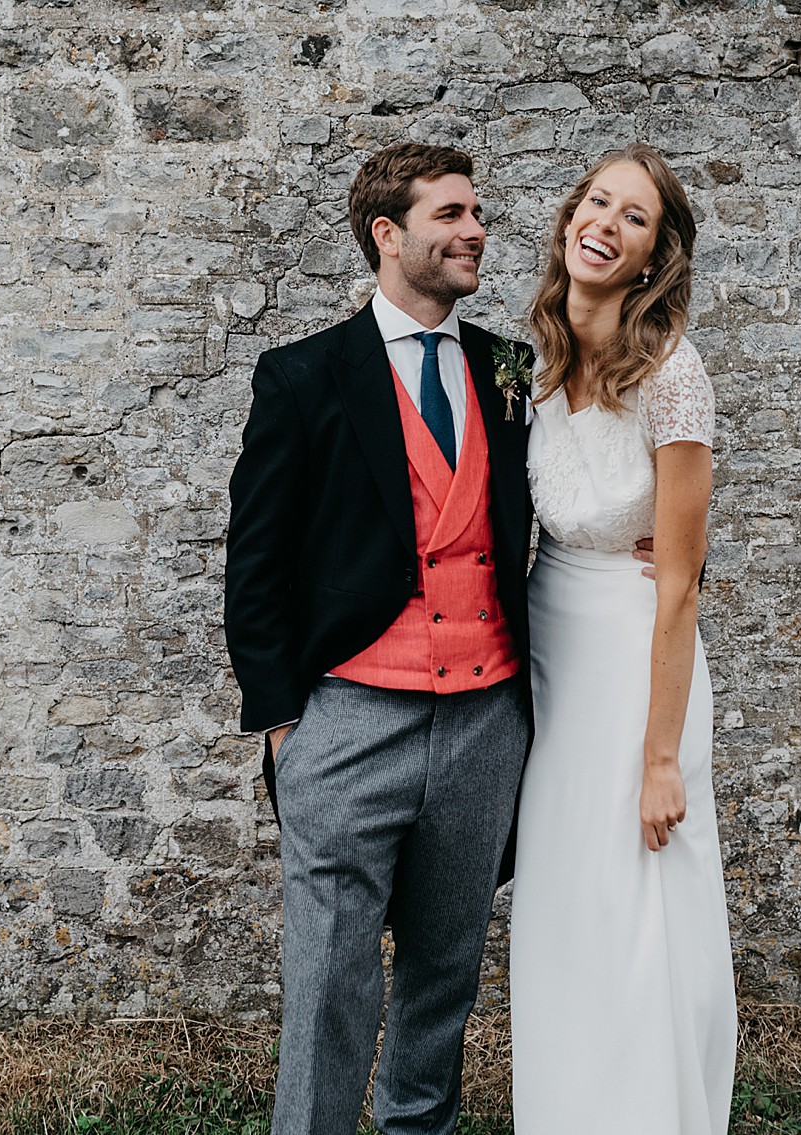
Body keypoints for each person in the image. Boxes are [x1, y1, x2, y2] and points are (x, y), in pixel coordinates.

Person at [224, 143, 534, 1135]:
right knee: (327, 983)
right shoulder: (304, 376)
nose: (473, 230)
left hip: (483, 722)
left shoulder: (508, 368)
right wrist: (284, 727)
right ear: (386, 234)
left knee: (444, 980)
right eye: (448, 214)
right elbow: (255, 563)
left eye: (476, 212)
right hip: (349, 721)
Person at [508, 143, 738, 1133]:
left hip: (640, 659)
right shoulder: (531, 352)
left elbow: (680, 582)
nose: (603, 222)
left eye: (632, 216)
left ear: (652, 254)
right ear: (569, 218)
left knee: (638, 888)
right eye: (594, 201)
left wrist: (659, 759)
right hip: (550, 647)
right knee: (565, 895)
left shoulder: (673, 376)